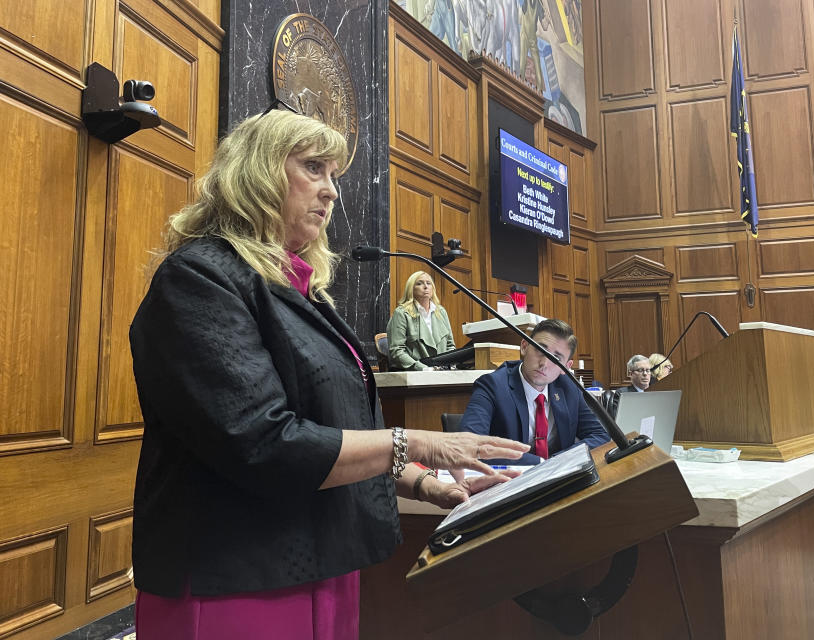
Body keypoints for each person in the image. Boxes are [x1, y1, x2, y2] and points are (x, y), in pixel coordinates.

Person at [128, 109, 528, 640]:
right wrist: (416, 444)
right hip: (235, 577)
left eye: (334, 175)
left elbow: (335, 425)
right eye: (314, 168)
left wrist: (427, 485)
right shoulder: (200, 279)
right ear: (257, 173)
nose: (332, 192)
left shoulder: (305, 293)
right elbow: (264, 442)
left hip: (325, 561)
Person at [459, 318, 610, 465]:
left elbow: (599, 436)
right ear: (524, 346)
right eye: (540, 350)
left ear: (567, 366)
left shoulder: (569, 388)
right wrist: (542, 464)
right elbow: (471, 444)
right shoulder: (492, 385)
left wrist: (558, 461)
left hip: (559, 481)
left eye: (556, 358)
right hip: (509, 481)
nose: (544, 363)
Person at [386, 270, 456, 371]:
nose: (425, 287)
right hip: (414, 374)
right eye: (419, 283)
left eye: (429, 283)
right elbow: (397, 351)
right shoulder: (401, 313)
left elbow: (450, 345)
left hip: (442, 373)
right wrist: (423, 368)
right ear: (411, 289)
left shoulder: (441, 312)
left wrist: (450, 365)